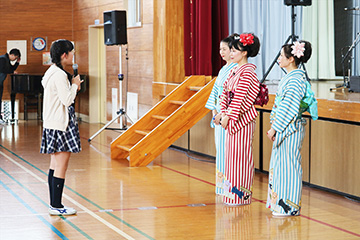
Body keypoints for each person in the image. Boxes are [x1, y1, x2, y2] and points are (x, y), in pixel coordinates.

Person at [266, 40, 317, 217]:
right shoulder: (293, 77)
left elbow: (288, 108)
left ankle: (288, 206)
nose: (279, 59)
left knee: (289, 168)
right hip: (287, 129)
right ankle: (281, 204)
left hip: (290, 128)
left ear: (291, 59)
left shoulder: (296, 80)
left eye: (281, 56)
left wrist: (275, 128)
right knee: (282, 167)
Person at [40, 39, 83, 215]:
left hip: (52, 123)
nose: (73, 55)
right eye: (71, 52)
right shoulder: (59, 75)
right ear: (64, 55)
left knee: (54, 164)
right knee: (61, 166)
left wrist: (71, 86)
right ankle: (56, 206)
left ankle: (54, 204)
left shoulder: (51, 71)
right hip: (60, 125)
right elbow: (67, 100)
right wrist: (75, 85)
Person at [220, 33, 260, 205]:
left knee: (241, 158)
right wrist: (222, 112)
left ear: (244, 53)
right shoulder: (234, 70)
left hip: (242, 121)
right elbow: (225, 93)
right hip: (231, 119)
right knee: (231, 157)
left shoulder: (248, 73)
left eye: (235, 50)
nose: (231, 53)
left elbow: (240, 98)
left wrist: (228, 116)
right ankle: (231, 193)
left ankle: (241, 195)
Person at [205, 35, 237, 195]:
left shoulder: (236, 70)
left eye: (224, 49)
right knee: (220, 151)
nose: (221, 52)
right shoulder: (223, 69)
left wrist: (223, 114)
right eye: (220, 49)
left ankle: (229, 188)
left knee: (228, 152)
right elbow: (215, 94)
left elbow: (233, 97)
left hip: (228, 117)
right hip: (218, 116)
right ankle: (221, 186)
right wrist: (214, 112)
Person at [0, 49, 21, 123]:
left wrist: (17, 63)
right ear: (12, 55)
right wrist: (12, 71)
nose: (15, 59)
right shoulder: (2, 59)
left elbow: (11, 69)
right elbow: (2, 69)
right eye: (15, 58)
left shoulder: (6, 60)